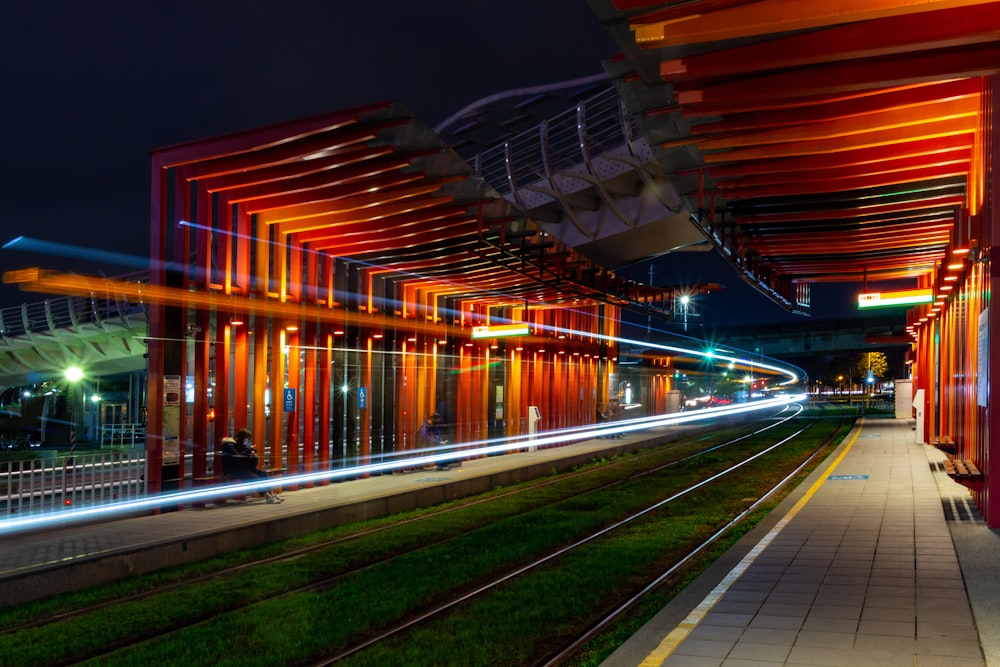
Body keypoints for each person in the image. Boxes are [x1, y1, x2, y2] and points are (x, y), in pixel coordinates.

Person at [229, 428, 283, 503]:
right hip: (236, 470)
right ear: (242, 438)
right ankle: (267, 497)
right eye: (246, 439)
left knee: (263, 473)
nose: (247, 441)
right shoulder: (232, 446)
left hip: (246, 468)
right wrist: (248, 452)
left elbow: (251, 463)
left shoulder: (244, 446)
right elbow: (238, 459)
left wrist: (253, 457)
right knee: (254, 478)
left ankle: (272, 494)